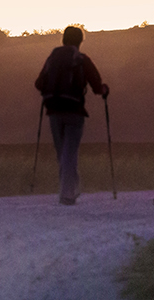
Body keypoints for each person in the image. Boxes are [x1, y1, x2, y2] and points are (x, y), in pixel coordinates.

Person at [35, 26, 109, 205]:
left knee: (62, 152)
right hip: (74, 110)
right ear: (80, 42)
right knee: (70, 152)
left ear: (63, 40)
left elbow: (38, 83)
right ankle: (68, 193)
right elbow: (97, 86)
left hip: (53, 109)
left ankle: (70, 190)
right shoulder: (82, 59)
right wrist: (105, 90)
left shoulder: (52, 58)